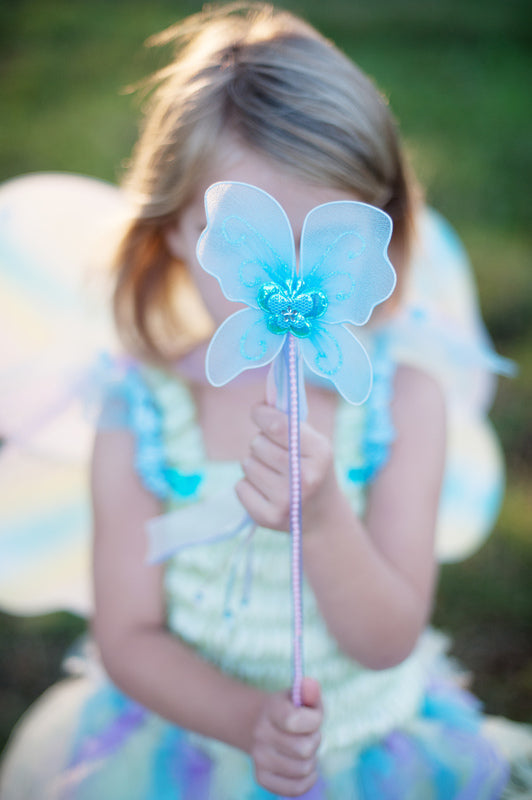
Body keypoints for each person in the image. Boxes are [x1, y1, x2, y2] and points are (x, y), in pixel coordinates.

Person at [1, 3, 530, 798]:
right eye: (244, 245)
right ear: (173, 232)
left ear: (377, 238)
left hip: (366, 747)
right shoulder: (138, 411)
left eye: (325, 239)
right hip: (190, 746)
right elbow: (129, 635)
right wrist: (248, 720)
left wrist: (318, 520)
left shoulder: (401, 398)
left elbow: (387, 638)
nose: (288, 282)